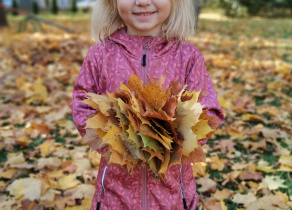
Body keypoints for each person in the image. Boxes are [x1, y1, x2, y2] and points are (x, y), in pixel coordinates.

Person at [70, 0, 224, 209]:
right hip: (115, 194)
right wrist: (113, 137)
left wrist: (173, 139)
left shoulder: (188, 56)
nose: (142, 2)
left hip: (172, 195)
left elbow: (209, 110)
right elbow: (83, 101)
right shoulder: (101, 54)